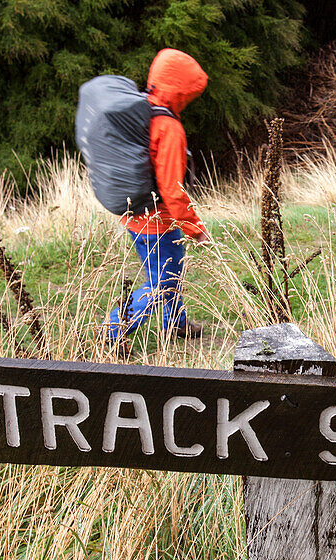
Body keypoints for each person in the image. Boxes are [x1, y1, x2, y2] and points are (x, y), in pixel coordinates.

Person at [106, 48, 210, 341]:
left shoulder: (140, 108)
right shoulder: (169, 127)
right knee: (162, 281)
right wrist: (195, 228)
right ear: (181, 91)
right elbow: (171, 188)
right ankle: (113, 331)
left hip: (134, 216)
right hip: (158, 223)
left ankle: (177, 324)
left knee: (170, 271)